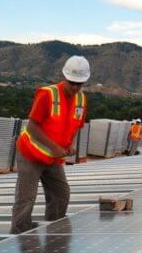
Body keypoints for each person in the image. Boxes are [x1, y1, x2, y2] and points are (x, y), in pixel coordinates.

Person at [10, 56, 90, 234]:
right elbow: (32, 127)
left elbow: (77, 126)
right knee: (26, 200)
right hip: (31, 154)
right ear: (64, 77)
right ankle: (18, 238)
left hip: (53, 158)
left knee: (61, 195)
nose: (75, 87)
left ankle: (53, 234)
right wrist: (54, 147)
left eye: (80, 84)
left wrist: (70, 145)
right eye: (72, 83)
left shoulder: (81, 100)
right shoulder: (48, 94)